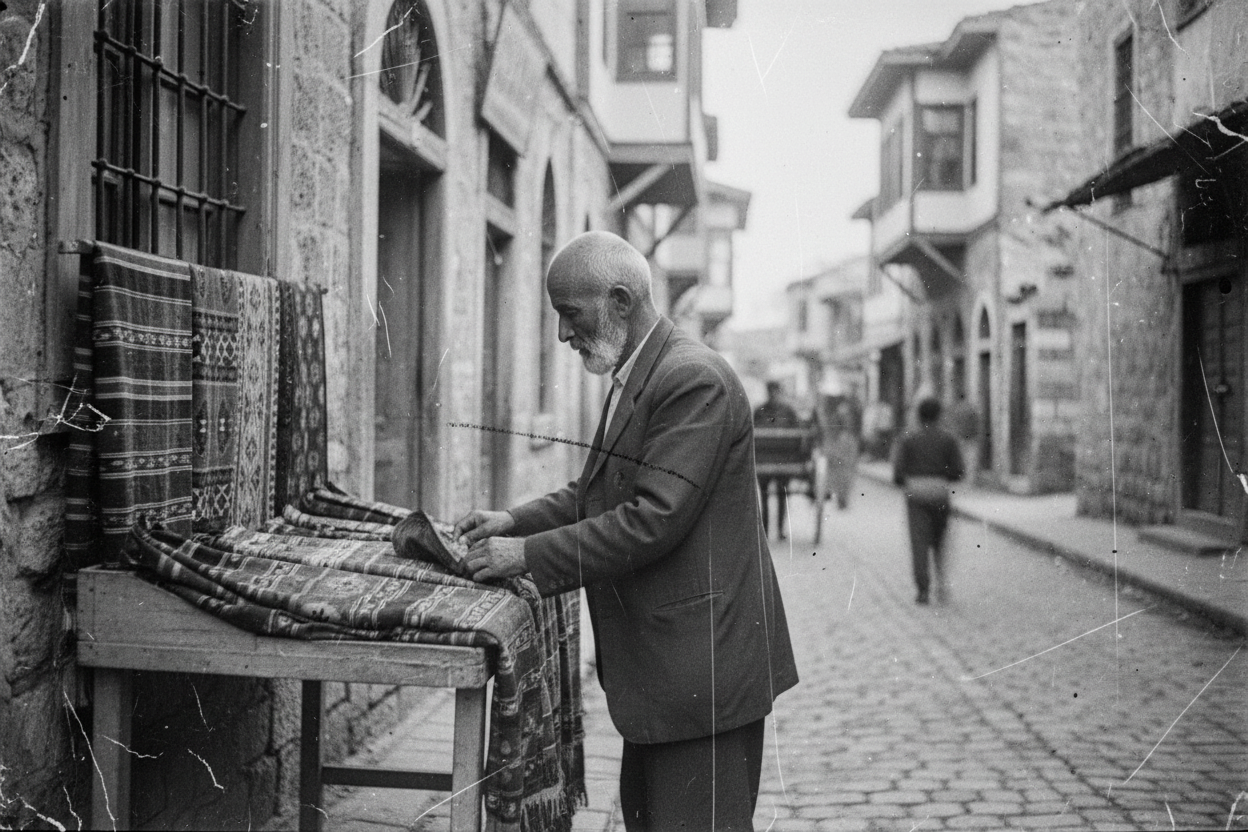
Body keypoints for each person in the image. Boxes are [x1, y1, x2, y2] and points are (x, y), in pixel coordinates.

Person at [454, 231, 798, 831]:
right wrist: (514, 521)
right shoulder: (644, 370)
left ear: (618, 301)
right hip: (672, 671)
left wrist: (525, 554)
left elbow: (651, 518)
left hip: (700, 671)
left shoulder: (693, 379)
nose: (563, 335)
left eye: (570, 314)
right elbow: (600, 492)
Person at [892, 397, 965, 605]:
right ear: (939, 415)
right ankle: (942, 585)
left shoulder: (908, 439)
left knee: (919, 543)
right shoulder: (949, 439)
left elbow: (898, 474)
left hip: (915, 493)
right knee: (940, 542)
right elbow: (958, 472)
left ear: (919, 415)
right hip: (939, 493)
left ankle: (923, 590)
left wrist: (911, 482)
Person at [752, 380, 799, 538]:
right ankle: (765, 529)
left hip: (784, 459)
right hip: (764, 459)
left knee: (782, 494)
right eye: (771, 391)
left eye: (776, 391)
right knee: (764, 495)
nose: (774, 395)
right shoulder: (759, 411)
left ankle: (780, 529)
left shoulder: (789, 411)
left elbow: (798, 435)